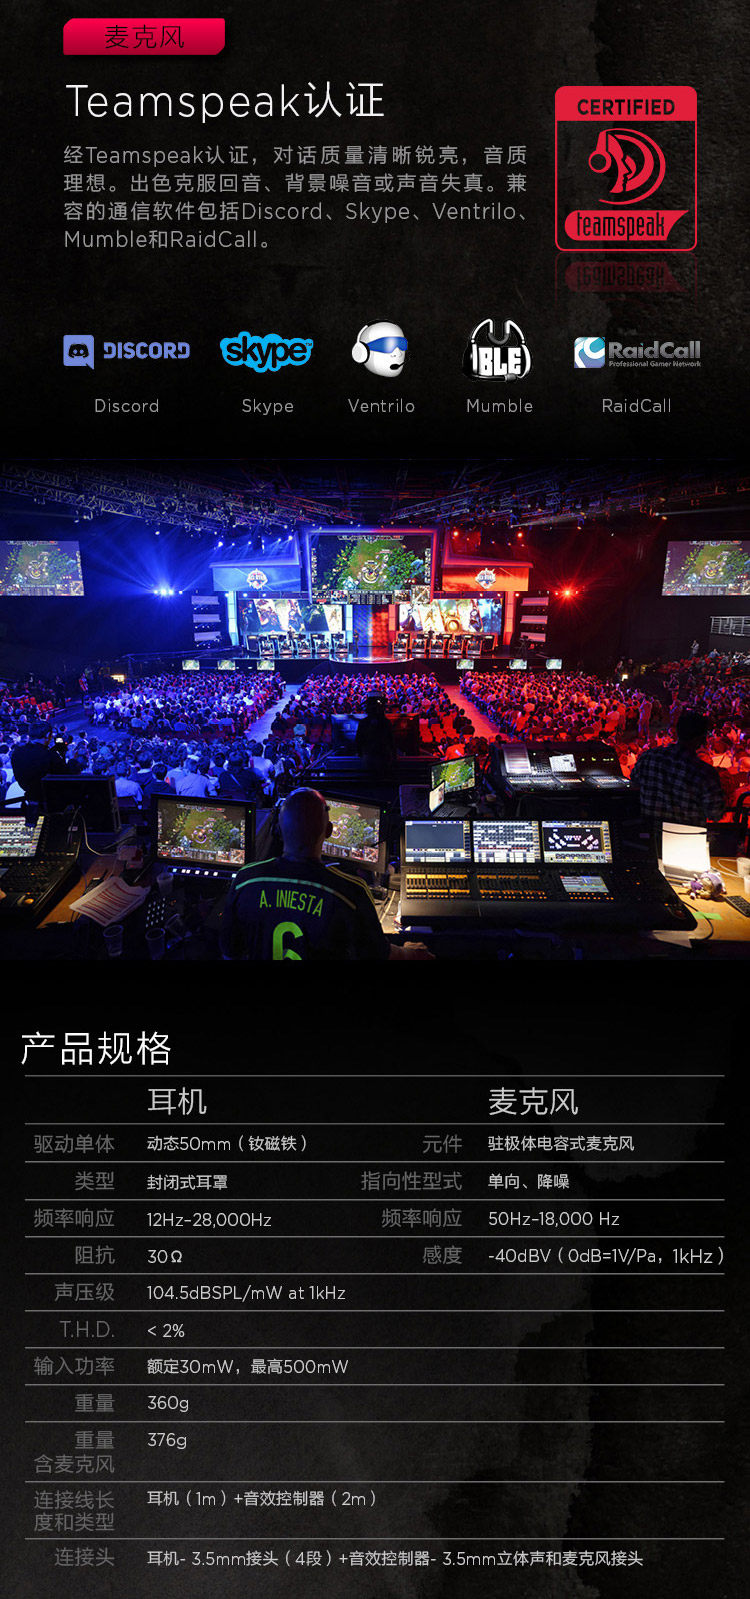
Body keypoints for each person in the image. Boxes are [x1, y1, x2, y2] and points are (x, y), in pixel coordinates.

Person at [220, 787, 432, 961]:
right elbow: (379, 954)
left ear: (278, 829)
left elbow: (229, 951)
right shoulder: (351, 891)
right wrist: (410, 952)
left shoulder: (245, 880)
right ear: (329, 831)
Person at [630, 710, 725, 826]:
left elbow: (633, 784)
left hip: (649, 831)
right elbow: (715, 814)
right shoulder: (705, 772)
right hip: (687, 834)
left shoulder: (648, 757)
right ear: (700, 739)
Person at [354, 695, 396, 771]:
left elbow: (358, 740)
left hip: (372, 755)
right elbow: (391, 740)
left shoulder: (364, 723)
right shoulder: (386, 722)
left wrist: (359, 753)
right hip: (381, 755)